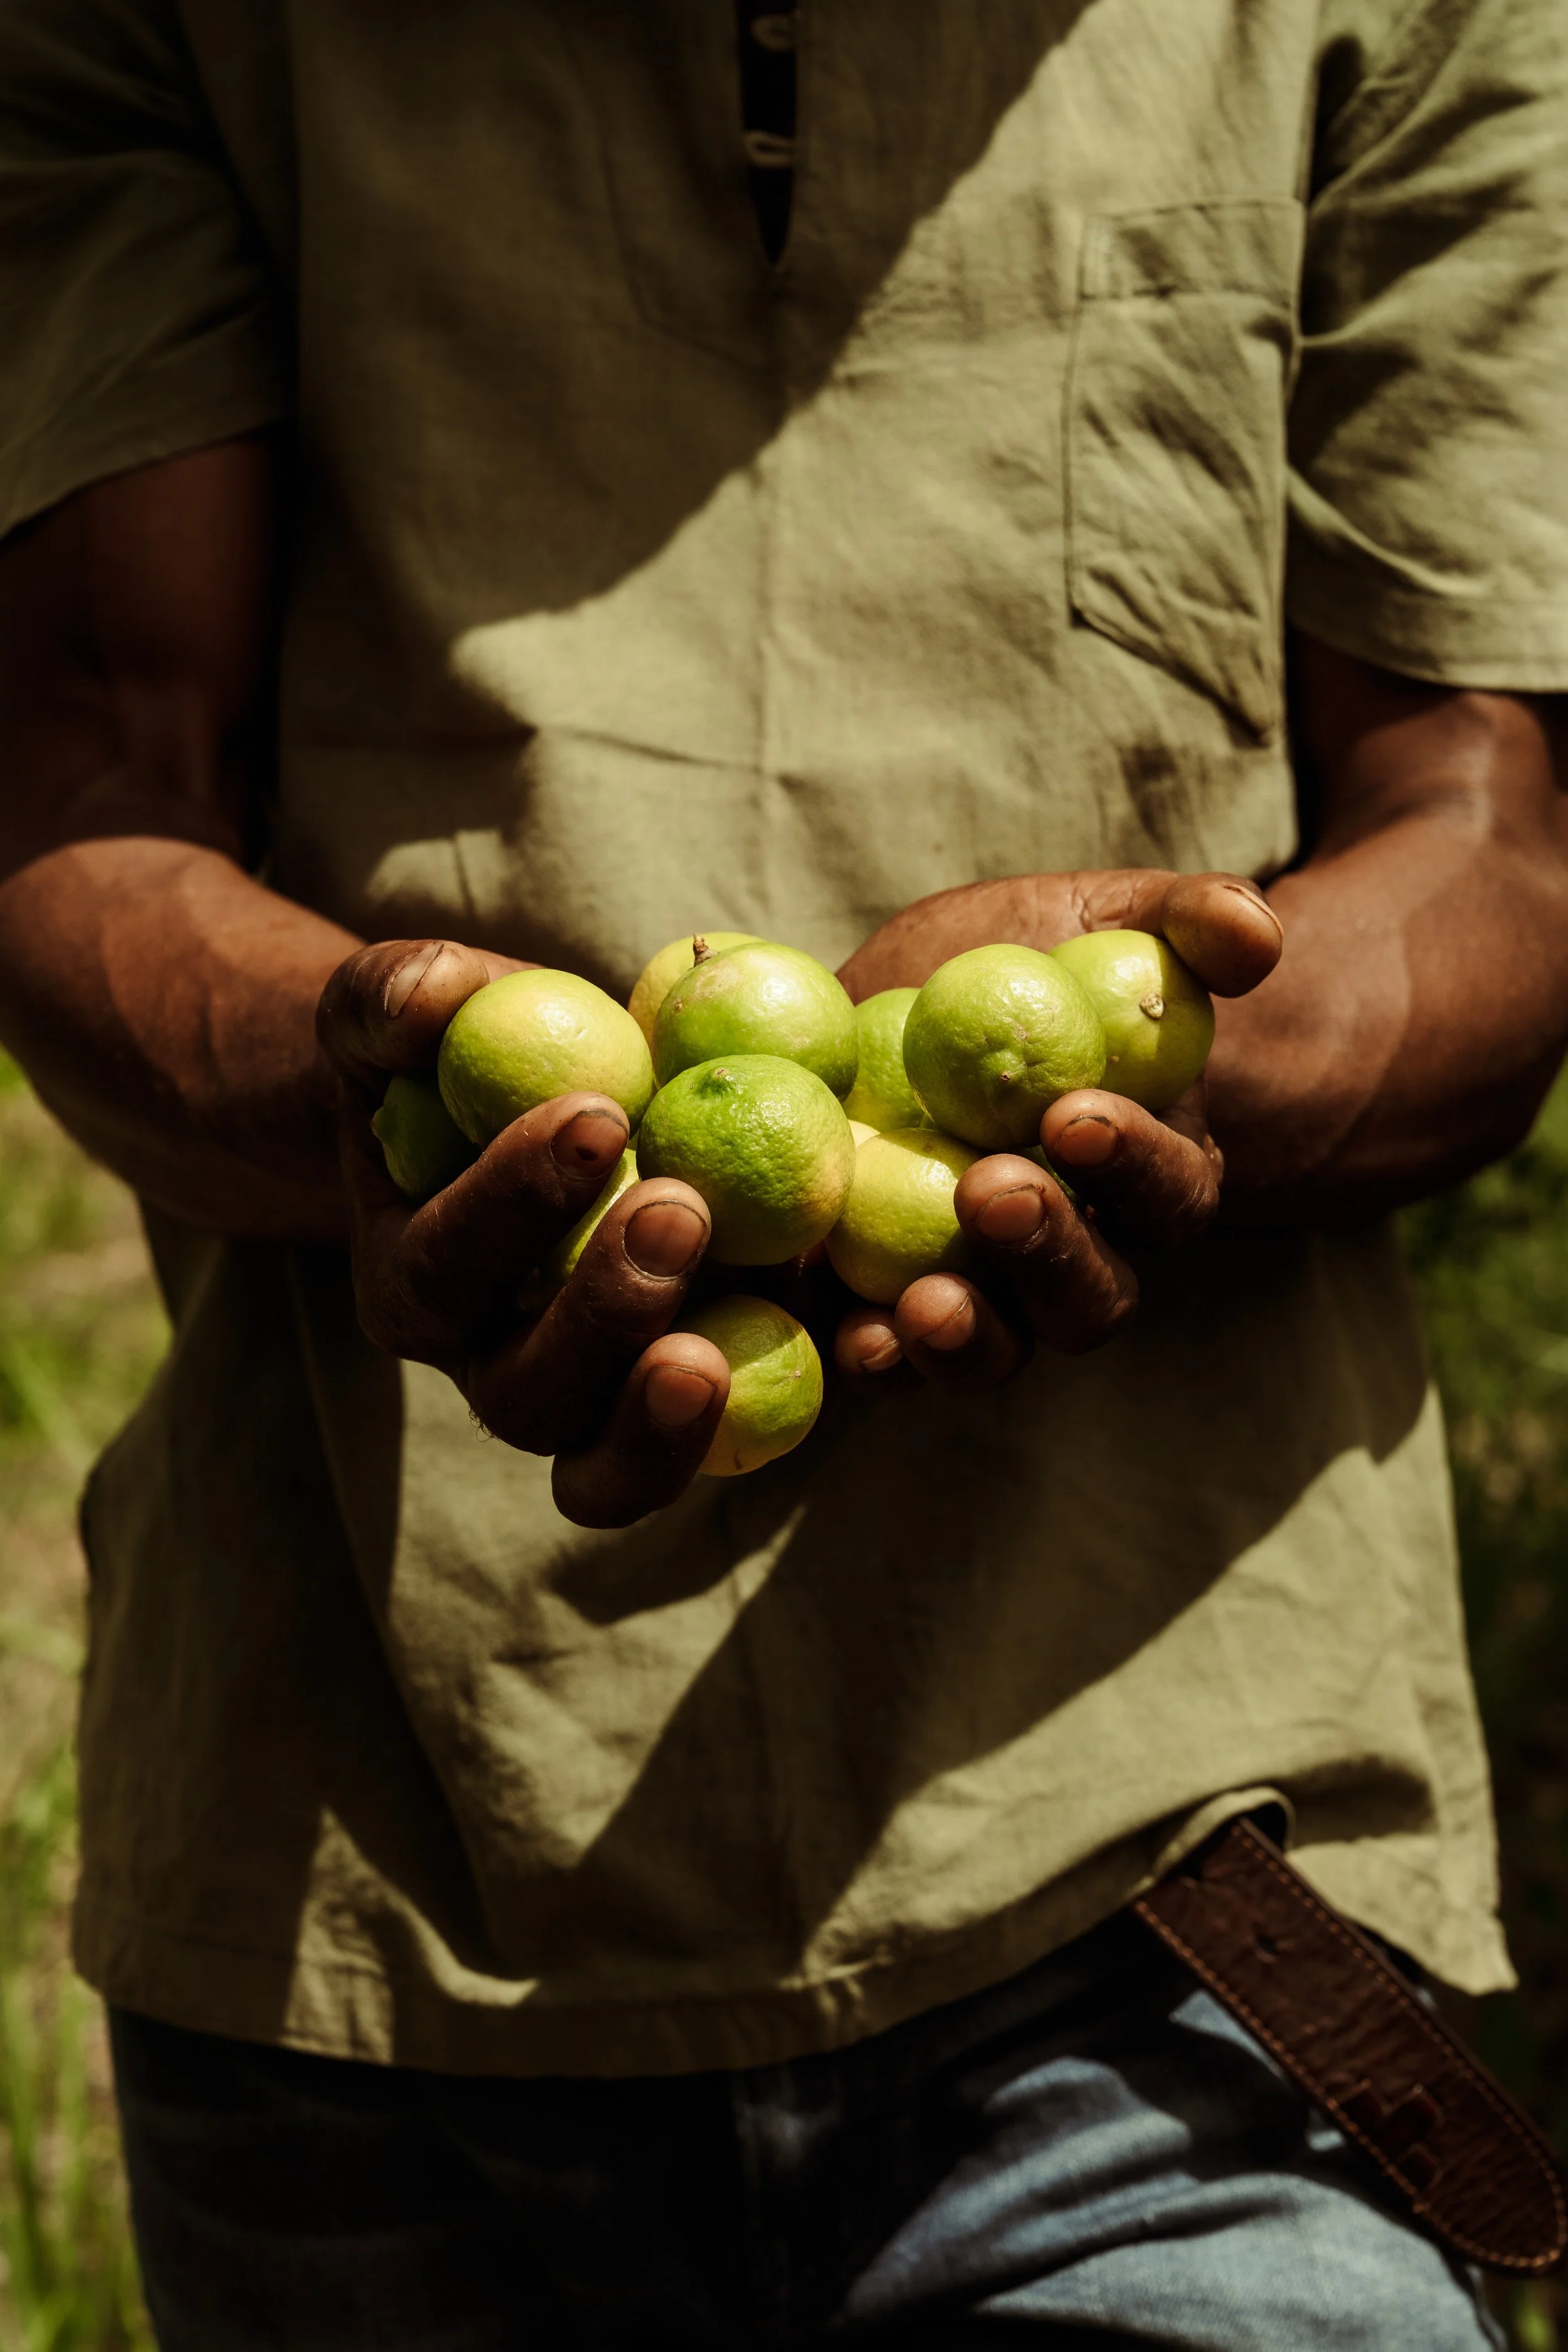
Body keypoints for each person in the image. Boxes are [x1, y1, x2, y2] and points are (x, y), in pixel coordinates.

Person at [0, 1, 1564, 2343]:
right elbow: (88, 776)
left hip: (1163, 1881)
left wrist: (1187, 1064)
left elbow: (1485, 832)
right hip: (372, 1899)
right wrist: (365, 1109)